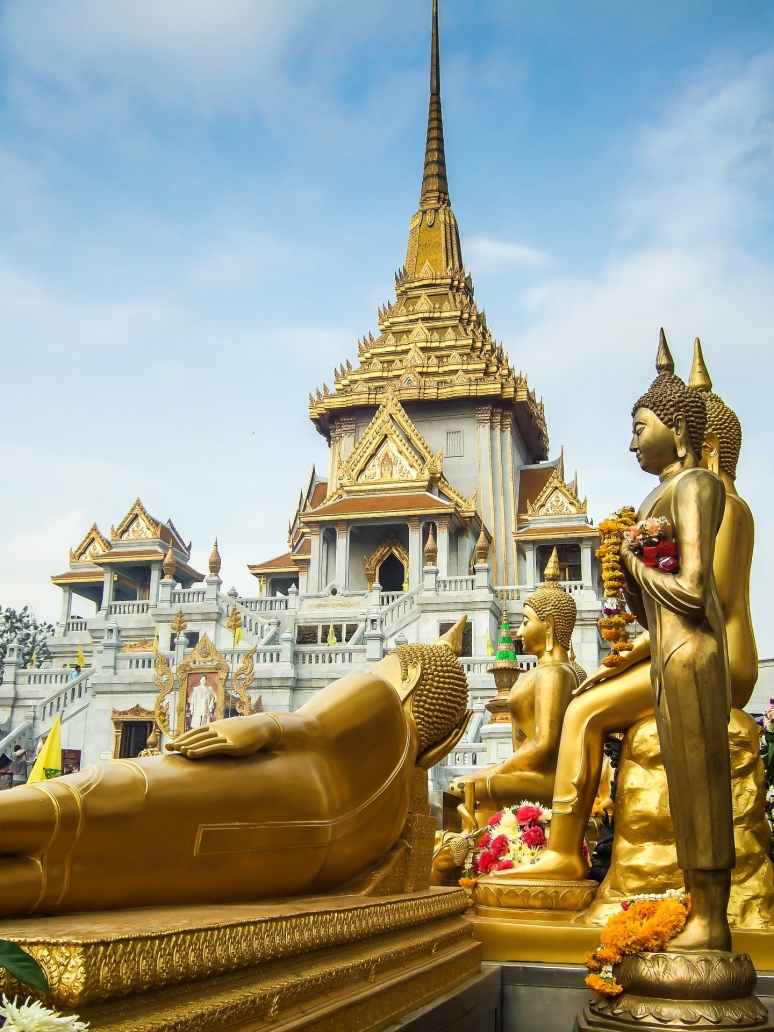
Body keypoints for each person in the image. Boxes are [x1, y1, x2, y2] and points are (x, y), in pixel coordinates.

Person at [0, 620, 470, 917]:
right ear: (442, 740)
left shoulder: (381, 695)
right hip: (275, 859)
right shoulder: (391, 825)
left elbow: (310, 723)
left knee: (93, 805)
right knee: (83, 877)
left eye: (389, 663)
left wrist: (261, 727)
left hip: (256, 791)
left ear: (405, 675)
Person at [516, 334, 734, 952]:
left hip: (691, 650)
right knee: (686, 787)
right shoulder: (659, 493)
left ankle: (712, 918)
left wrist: (634, 562)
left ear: (677, 428)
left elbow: (693, 591)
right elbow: (653, 602)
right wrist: (633, 577)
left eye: (641, 426)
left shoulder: (694, 485)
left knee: (701, 780)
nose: (632, 440)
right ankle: (699, 909)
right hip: (665, 652)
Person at [448, 550, 578, 812]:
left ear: (549, 625)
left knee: (463, 788)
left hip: (546, 779)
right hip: (524, 772)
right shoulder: (545, 672)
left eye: (526, 623)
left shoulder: (556, 673)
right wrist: (498, 769)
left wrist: (499, 770)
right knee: (462, 786)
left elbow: (544, 746)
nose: (519, 632)